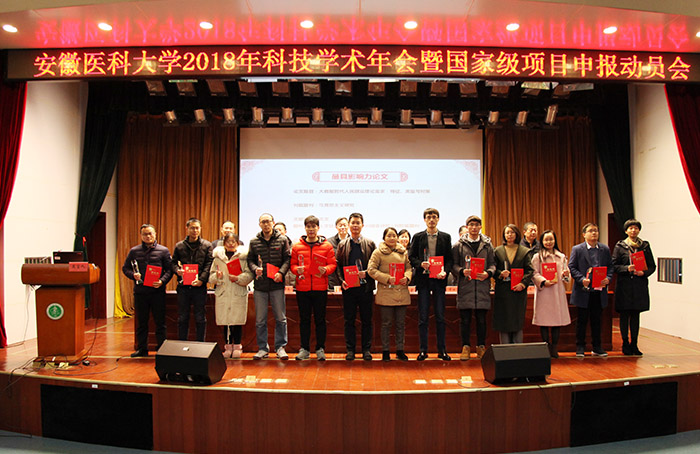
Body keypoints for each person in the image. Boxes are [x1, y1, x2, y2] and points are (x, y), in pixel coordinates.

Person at [408, 208, 454, 361]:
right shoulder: (418, 237)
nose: (432, 220)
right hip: (423, 281)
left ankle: (442, 350)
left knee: (440, 316)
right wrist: (420, 264)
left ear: (438, 219)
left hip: (439, 280)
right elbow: (411, 257)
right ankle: (423, 350)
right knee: (423, 317)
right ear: (425, 220)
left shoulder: (445, 237)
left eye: (434, 217)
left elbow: (449, 259)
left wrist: (445, 271)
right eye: (429, 217)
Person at [290, 215, 337, 361]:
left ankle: (320, 348)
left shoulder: (327, 246)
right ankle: (304, 349)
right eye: (308, 226)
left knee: (320, 320)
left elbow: (333, 264)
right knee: (304, 320)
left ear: (318, 228)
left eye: (313, 226)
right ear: (305, 228)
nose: (311, 229)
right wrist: (297, 270)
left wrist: (326, 270)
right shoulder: (297, 246)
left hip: (320, 288)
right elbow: (292, 265)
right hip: (302, 289)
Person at [122, 224, 173, 357]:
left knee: (160, 322)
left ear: (155, 234)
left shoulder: (163, 251)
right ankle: (142, 349)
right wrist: (133, 275)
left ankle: (161, 348)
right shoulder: (134, 251)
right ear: (141, 236)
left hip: (157, 292)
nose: (148, 236)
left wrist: (162, 281)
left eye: (150, 233)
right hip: (141, 292)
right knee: (141, 322)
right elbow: (125, 268)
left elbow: (169, 270)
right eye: (145, 234)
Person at [247, 213, 292, 360]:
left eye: (268, 221)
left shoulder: (282, 240)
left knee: (280, 318)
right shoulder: (254, 241)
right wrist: (255, 269)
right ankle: (262, 348)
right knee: (260, 320)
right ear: (259, 224)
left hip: (277, 285)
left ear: (273, 222)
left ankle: (280, 347)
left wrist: (281, 272)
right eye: (263, 222)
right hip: (260, 286)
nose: (266, 224)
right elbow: (250, 260)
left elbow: (287, 259)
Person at [451, 215, 495, 360]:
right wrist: (461, 271)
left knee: (481, 320)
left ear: (480, 227)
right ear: (467, 227)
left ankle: (481, 347)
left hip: (482, 287)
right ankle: (465, 347)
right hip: (466, 287)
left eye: (476, 225)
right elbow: (453, 265)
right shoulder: (458, 245)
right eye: (471, 225)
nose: (474, 227)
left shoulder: (487, 245)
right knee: (465, 321)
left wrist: (488, 273)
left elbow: (493, 264)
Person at [335, 212, 376, 361]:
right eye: (353, 223)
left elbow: (376, 265)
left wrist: (368, 273)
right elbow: (338, 265)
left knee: (367, 320)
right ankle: (350, 350)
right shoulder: (342, 244)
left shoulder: (370, 244)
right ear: (349, 225)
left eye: (358, 223)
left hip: (366, 288)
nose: (355, 226)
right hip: (349, 288)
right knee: (349, 320)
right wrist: (341, 280)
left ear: (362, 225)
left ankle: (366, 349)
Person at [368, 227, 412, 361]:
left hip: (401, 292)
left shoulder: (403, 252)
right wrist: (386, 278)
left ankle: (400, 350)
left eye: (394, 236)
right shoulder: (378, 252)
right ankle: (385, 350)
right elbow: (371, 270)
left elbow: (409, 268)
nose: (392, 238)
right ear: (384, 238)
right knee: (386, 324)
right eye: (389, 236)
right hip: (386, 293)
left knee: (400, 324)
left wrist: (407, 277)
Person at [612, 219, 656, 356]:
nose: (633, 230)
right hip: (624, 286)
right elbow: (613, 266)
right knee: (624, 315)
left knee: (636, 315)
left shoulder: (645, 246)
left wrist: (644, 273)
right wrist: (626, 268)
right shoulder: (620, 246)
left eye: (636, 228)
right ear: (626, 231)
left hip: (639, 285)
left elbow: (652, 266)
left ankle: (634, 344)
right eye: (630, 228)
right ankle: (625, 343)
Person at [569, 222, 613, 357]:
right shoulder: (577, 249)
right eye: (590, 231)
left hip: (599, 291)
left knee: (597, 320)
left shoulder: (604, 249)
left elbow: (610, 267)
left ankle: (597, 347)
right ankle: (580, 346)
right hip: (583, 290)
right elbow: (572, 267)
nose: (594, 233)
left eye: (596, 230)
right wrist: (582, 279)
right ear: (584, 234)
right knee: (581, 321)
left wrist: (608, 278)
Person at [208, 233, 253, 358]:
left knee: (237, 321)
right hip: (223, 292)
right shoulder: (218, 258)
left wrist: (238, 278)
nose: (231, 244)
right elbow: (210, 277)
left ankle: (237, 346)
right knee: (226, 321)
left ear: (238, 243)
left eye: (234, 241)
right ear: (224, 243)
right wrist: (217, 276)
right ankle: (227, 346)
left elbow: (249, 274)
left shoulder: (243, 258)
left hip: (238, 292)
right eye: (228, 241)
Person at [531, 230, 571, 358]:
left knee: (556, 322)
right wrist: (543, 281)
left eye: (551, 239)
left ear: (555, 241)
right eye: (546, 240)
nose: (549, 242)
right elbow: (534, 273)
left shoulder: (562, 256)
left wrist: (566, 275)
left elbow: (566, 277)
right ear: (542, 242)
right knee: (544, 321)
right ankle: (546, 347)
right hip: (544, 292)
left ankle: (554, 347)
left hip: (557, 292)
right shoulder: (537, 257)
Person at [171, 218, 213, 342]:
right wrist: (177, 271)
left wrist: (202, 280)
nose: (195, 230)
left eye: (197, 228)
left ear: (200, 229)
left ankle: (200, 344)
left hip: (200, 287)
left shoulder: (207, 245)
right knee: (182, 317)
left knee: (200, 317)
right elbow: (173, 263)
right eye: (192, 228)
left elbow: (209, 264)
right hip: (183, 287)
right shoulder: (179, 246)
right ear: (187, 229)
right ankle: (182, 343)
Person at [493, 224, 533, 344]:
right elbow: (493, 269)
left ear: (517, 234)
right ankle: (505, 349)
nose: (509, 235)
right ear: (504, 235)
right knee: (503, 322)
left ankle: (517, 350)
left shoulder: (524, 251)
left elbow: (529, 270)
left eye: (512, 232)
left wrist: (523, 284)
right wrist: (500, 274)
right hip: (502, 292)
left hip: (518, 292)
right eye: (507, 233)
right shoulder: (498, 251)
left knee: (517, 321)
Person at [327, 217, 349, 290]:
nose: (342, 227)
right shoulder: (329, 242)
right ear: (336, 227)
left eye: (345, 225)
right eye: (340, 225)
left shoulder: (353, 240)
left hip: (349, 277)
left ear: (348, 226)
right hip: (334, 279)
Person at [274, 221, 296, 288]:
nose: (278, 232)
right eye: (276, 230)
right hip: (278, 283)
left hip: (294, 282)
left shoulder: (294, 246)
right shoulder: (271, 247)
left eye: (280, 230)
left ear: (285, 231)